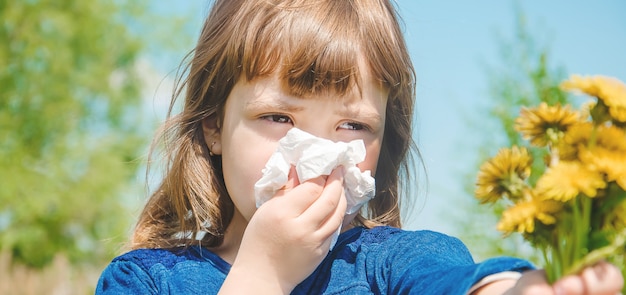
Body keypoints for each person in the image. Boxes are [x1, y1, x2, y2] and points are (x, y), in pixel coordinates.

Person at [95, 0, 624, 294]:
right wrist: (263, 275)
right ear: (214, 126)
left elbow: (456, 286)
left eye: (353, 127)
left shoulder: (393, 263)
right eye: (278, 117)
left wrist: (520, 290)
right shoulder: (145, 279)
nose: (316, 150)